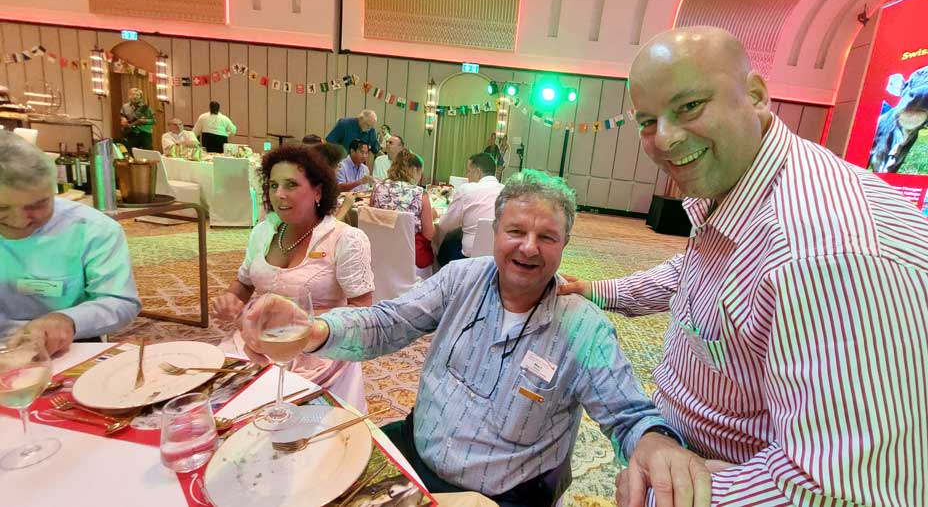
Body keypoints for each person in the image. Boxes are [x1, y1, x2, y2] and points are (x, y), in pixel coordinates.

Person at [559, 27, 928, 507]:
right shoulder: (736, 187)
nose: (664, 138)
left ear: (756, 95)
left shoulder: (835, 252)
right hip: (683, 449)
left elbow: (845, 494)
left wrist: (658, 495)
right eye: (648, 121)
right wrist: (599, 290)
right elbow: (694, 274)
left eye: (690, 106)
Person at [239, 170, 688, 507]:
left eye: (547, 237)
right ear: (494, 233)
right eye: (516, 231)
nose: (528, 247)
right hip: (415, 451)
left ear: (564, 244)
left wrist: (653, 441)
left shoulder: (583, 328)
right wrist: (316, 329)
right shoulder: (460, 279)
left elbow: (628, 413)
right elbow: (387, 322)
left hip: (501, 496)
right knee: (304, 480)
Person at [210, 145, 373, 411]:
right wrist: (230, 298)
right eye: (273, 185)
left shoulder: (346, 239)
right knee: (217, 406)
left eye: (291, 185)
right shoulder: (264, 232)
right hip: (257, 342)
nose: (279, 194)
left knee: (288, 419)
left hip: (319, 352)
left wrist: (304, 324)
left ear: (318, 191)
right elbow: (244, 283)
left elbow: (362, 310)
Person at [0, 132, 140, 355]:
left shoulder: (93, 229)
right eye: (2, 208)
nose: (19, 221)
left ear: (54, 189)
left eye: (37, 205)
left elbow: (120, 301)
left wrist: (67, 319)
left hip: (65, 347)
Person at [435, 152, 504, 267]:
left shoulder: (467, 189)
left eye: (468, 171)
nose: (467, 176)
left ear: (478, 172)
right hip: (497, 259)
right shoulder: (506, 192)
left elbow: (444, 225)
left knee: (444, 248)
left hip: (468, 258)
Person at [370, 150, 435, 269]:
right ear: (414, 170)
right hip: (408, 255)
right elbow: (429, 235)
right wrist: (432, 215)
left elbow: (371, 217)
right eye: (420, 173)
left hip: (378, 250)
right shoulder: (420, 193)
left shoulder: (377, 188)